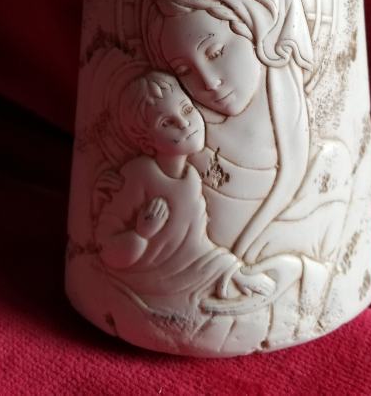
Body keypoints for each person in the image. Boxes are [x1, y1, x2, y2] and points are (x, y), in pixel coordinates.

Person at [141, 0, 351, 271]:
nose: (208, 81)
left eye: (215, 52)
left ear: (257, 32)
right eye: (183, 70)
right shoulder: (183, 155)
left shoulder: (328, 166)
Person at [92, 57, 276, 329]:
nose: (185, 124)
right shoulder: (136, 176)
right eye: (167, 122)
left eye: (187, 109)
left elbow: (195, 248)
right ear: (146, 142)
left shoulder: (190, 179)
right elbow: (106, 244)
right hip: (147, 285)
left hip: (185, 280)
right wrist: (140, 234)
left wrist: (236, 273)